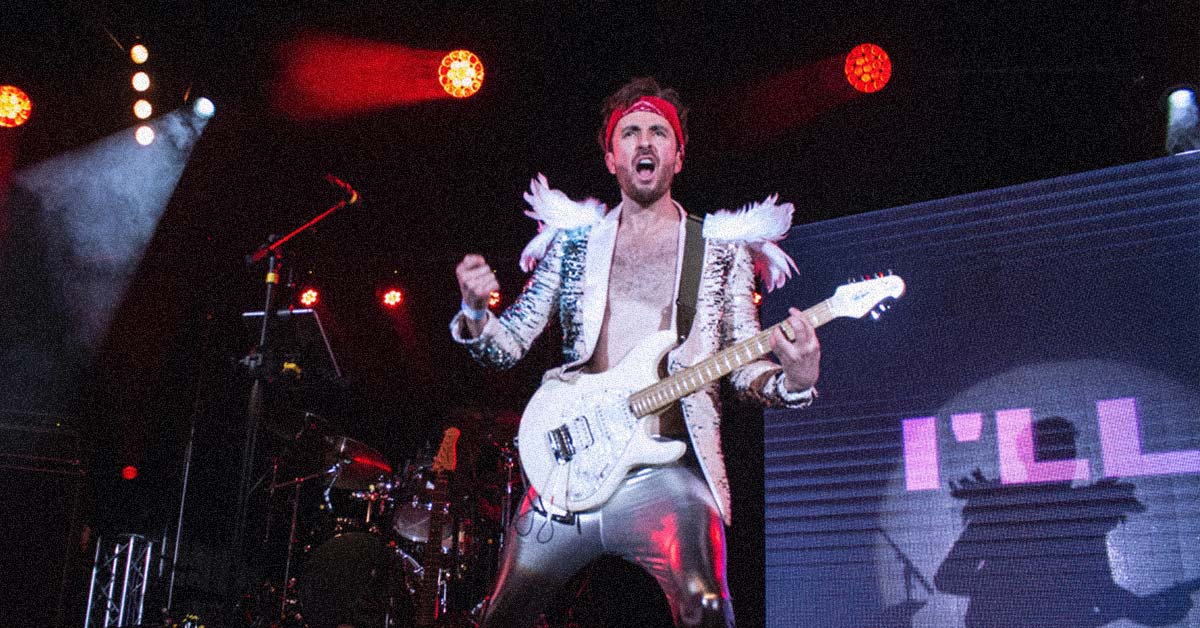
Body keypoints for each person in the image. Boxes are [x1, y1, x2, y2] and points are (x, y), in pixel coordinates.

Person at [451, 77, 820, 628]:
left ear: (677, 155)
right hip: (569, 469)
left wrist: (793, 378)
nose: (644, 143)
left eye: (658, 133)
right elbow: (508, 349)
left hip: (665, 477)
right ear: (611, 156)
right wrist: (477, 313)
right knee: (501, 615)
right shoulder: (573, 243)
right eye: (630, 133)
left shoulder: (718, 249)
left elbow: (744, 365)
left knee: (709, 605)